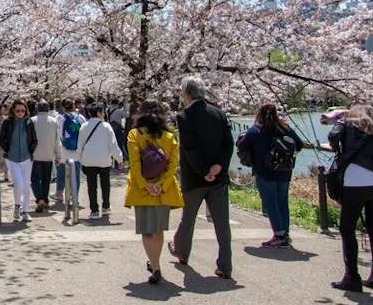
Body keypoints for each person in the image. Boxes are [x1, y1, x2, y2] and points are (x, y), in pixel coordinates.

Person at [169, 76, 235, 280]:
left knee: (188, 218)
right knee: (222, 222)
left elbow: (189, 148)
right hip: (218, 178)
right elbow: (229, 143)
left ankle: (181, 250)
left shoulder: (184, 116)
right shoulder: (219, 113)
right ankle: (225, 264)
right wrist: (219, 166)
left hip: (195, 177)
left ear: (186, 94)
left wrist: (203, 171)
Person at [327, 104, 373, 293]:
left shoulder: (347, 123)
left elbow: (332, 136)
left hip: (354, 182)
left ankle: (352, 277)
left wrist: (340, 148)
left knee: (347, 229)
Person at [124, 99, 184, 285]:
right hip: (163, 191)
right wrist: (161, 185)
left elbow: (134, 163)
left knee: (146, 231)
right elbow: (173, 164)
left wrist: (145, 184)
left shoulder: (135, 134)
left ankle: (156, 267)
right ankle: (155, 264)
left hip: (142, 191)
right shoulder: (169, 136)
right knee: (158, 230)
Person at [236, 103, 303, 247]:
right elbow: (299, 144)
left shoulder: (256, 131)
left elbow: (241, 145)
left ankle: (278, 234)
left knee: (270, 203)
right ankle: (285, 233)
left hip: (264, 171)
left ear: (259, 114)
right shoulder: (286, 129)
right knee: (282, 202)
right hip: (284, 171)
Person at [79, 102, 124, 219]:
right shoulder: (106, 126)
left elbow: (80, 146)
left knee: (91, 185)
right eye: (102, 112)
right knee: (105, 183)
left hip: (89, 159)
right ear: (99, 113)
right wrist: (119, 159)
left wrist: (81, 160)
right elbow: (113, 144)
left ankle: (94, 210)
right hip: (104, 159)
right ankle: (106, 206)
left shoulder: (84, 126)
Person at [0, 98, 38, 222]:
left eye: (22, 110)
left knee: (26, 185)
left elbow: (34, 140)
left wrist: (31, 151)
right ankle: (17, 205)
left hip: (26, 158)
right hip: (12, 158)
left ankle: (25, 211)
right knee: (19, 183)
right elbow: (1, 138)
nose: (20, 113)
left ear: (26, 110)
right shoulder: (8, 122)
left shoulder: (29, 123)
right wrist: (7, 149)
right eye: (17, 111)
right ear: (13, 111)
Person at [55, 97, 87, 201]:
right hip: (77, 150)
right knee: (76, 173)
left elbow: (55, 133)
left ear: (63, 107)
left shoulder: (59, 118)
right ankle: (74, 196)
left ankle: (59, 193)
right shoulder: (80, 118)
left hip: (63, 149)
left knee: (60, 172)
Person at [31, 99, 60, 213]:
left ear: (37, 109)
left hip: (35, 154)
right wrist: (58, 155)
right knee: (46, 179)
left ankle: (40, 199)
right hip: (49, 154)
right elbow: (57, 140)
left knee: (34, 178)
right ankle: (45, 200)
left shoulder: (32, 121)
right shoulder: (53, 121)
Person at [107, 98, 128, 164]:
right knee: (119, 145)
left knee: (109, 146)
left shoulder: (107, 110)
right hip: (118, 130)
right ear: (117, 104)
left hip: (110, 128)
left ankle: (109, 162)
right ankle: (117, 162)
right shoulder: (119, 111)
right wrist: (125, 107)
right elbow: (126, 115)